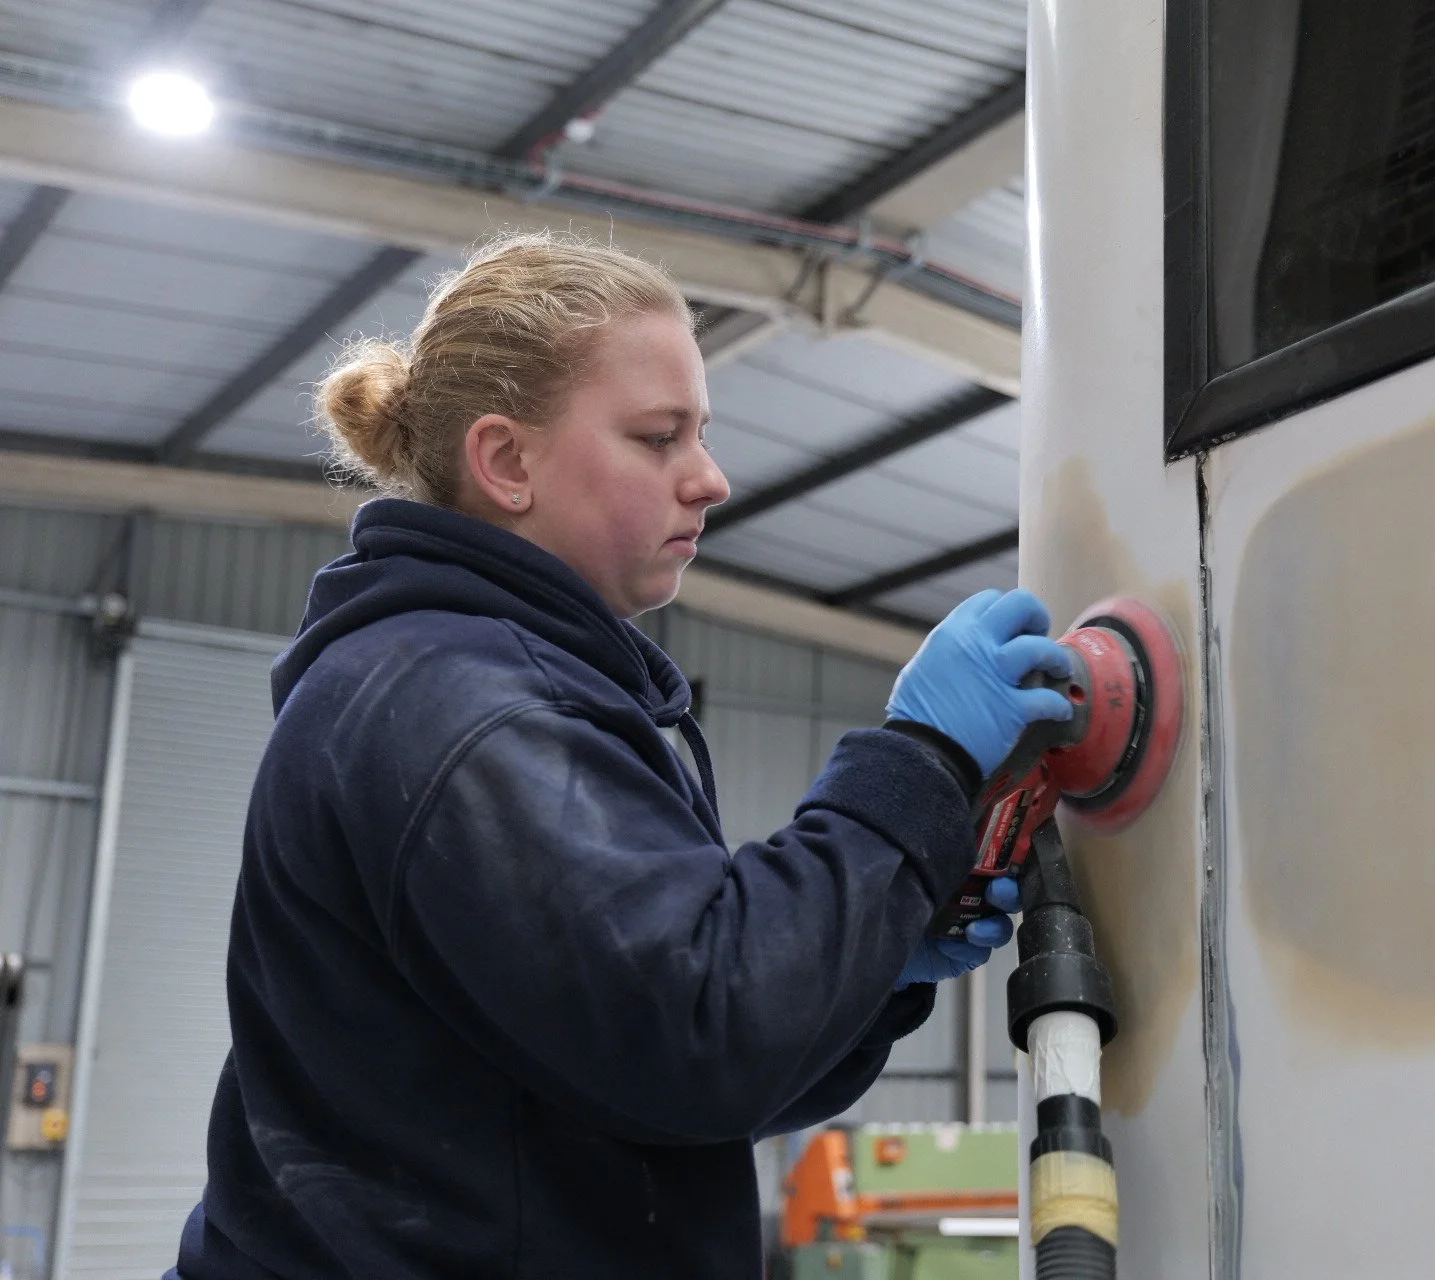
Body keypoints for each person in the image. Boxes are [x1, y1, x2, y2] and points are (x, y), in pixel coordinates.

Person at [165, 231, 1072, 1279]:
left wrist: (864, 966)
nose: (712, 479)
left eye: (703, 434)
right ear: (507, 462)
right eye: (658, 437)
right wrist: (916, 761)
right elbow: (700, 1029)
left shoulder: (480, 678)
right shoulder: (462, 705)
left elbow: (646, 1078)